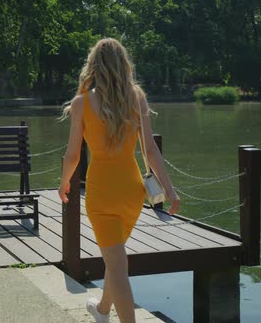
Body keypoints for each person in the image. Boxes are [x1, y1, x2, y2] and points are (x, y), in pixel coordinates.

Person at [58, 38, 181, 323]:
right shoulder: (136, 97)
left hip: (102, 194)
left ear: (94, 67)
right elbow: (150, 150)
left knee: (117, 267)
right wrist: (170, 191)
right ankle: (102, 310)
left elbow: (73, 154)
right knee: (116, 262)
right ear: (123, 65)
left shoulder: (81, 103)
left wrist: (64, 182)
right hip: (132, 192)